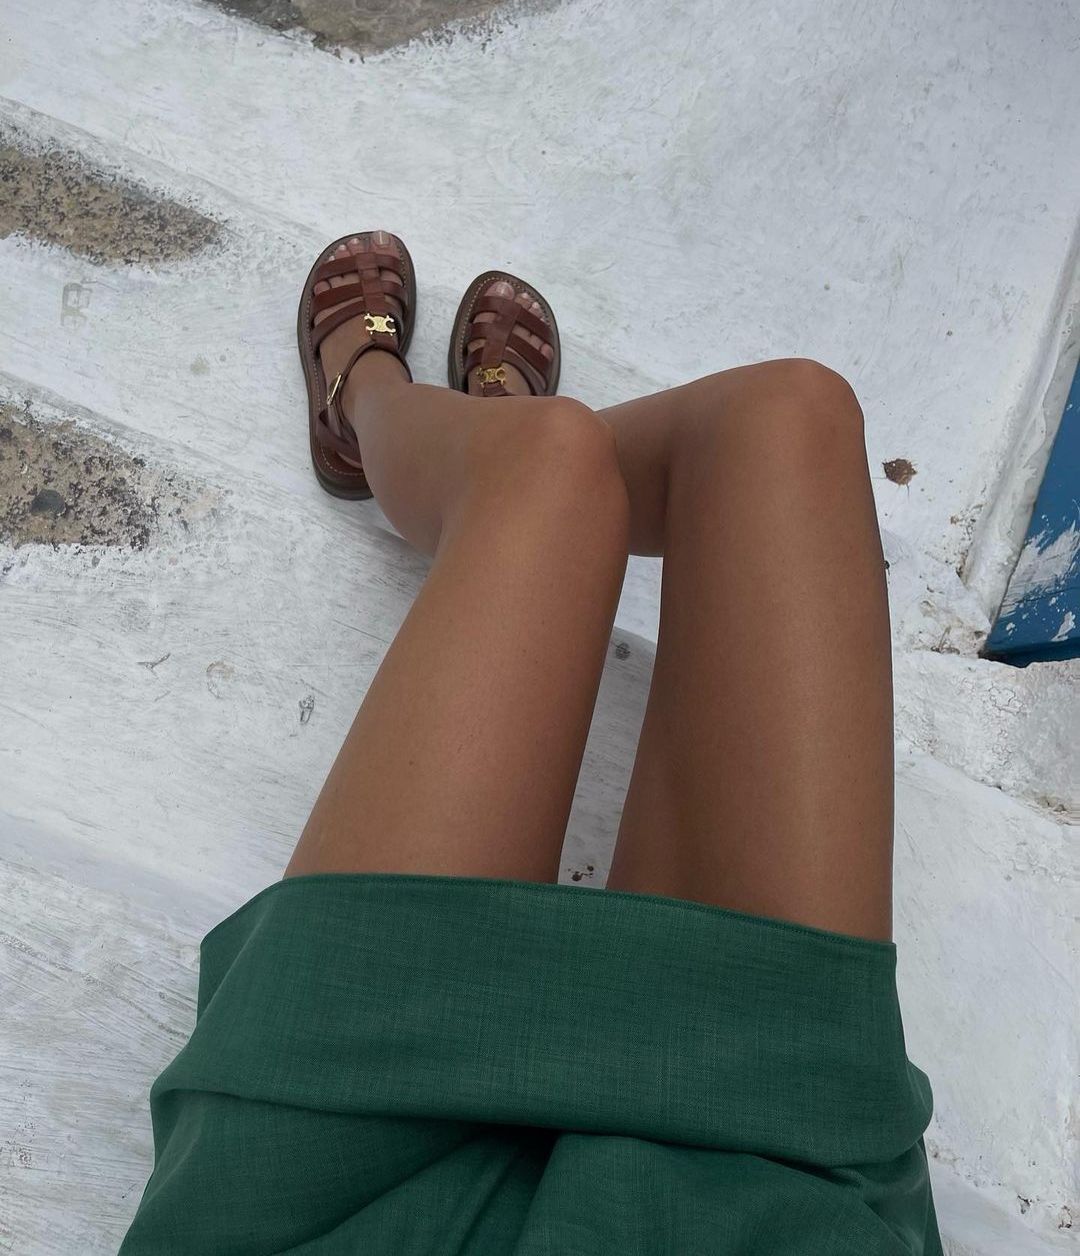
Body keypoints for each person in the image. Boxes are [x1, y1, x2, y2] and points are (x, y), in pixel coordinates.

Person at [118, 231, 943, 1253]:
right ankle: (484, 439)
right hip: (769, 1203)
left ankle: (369, 396)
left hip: (351, 1213)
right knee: (790, 414)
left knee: (547, 463)